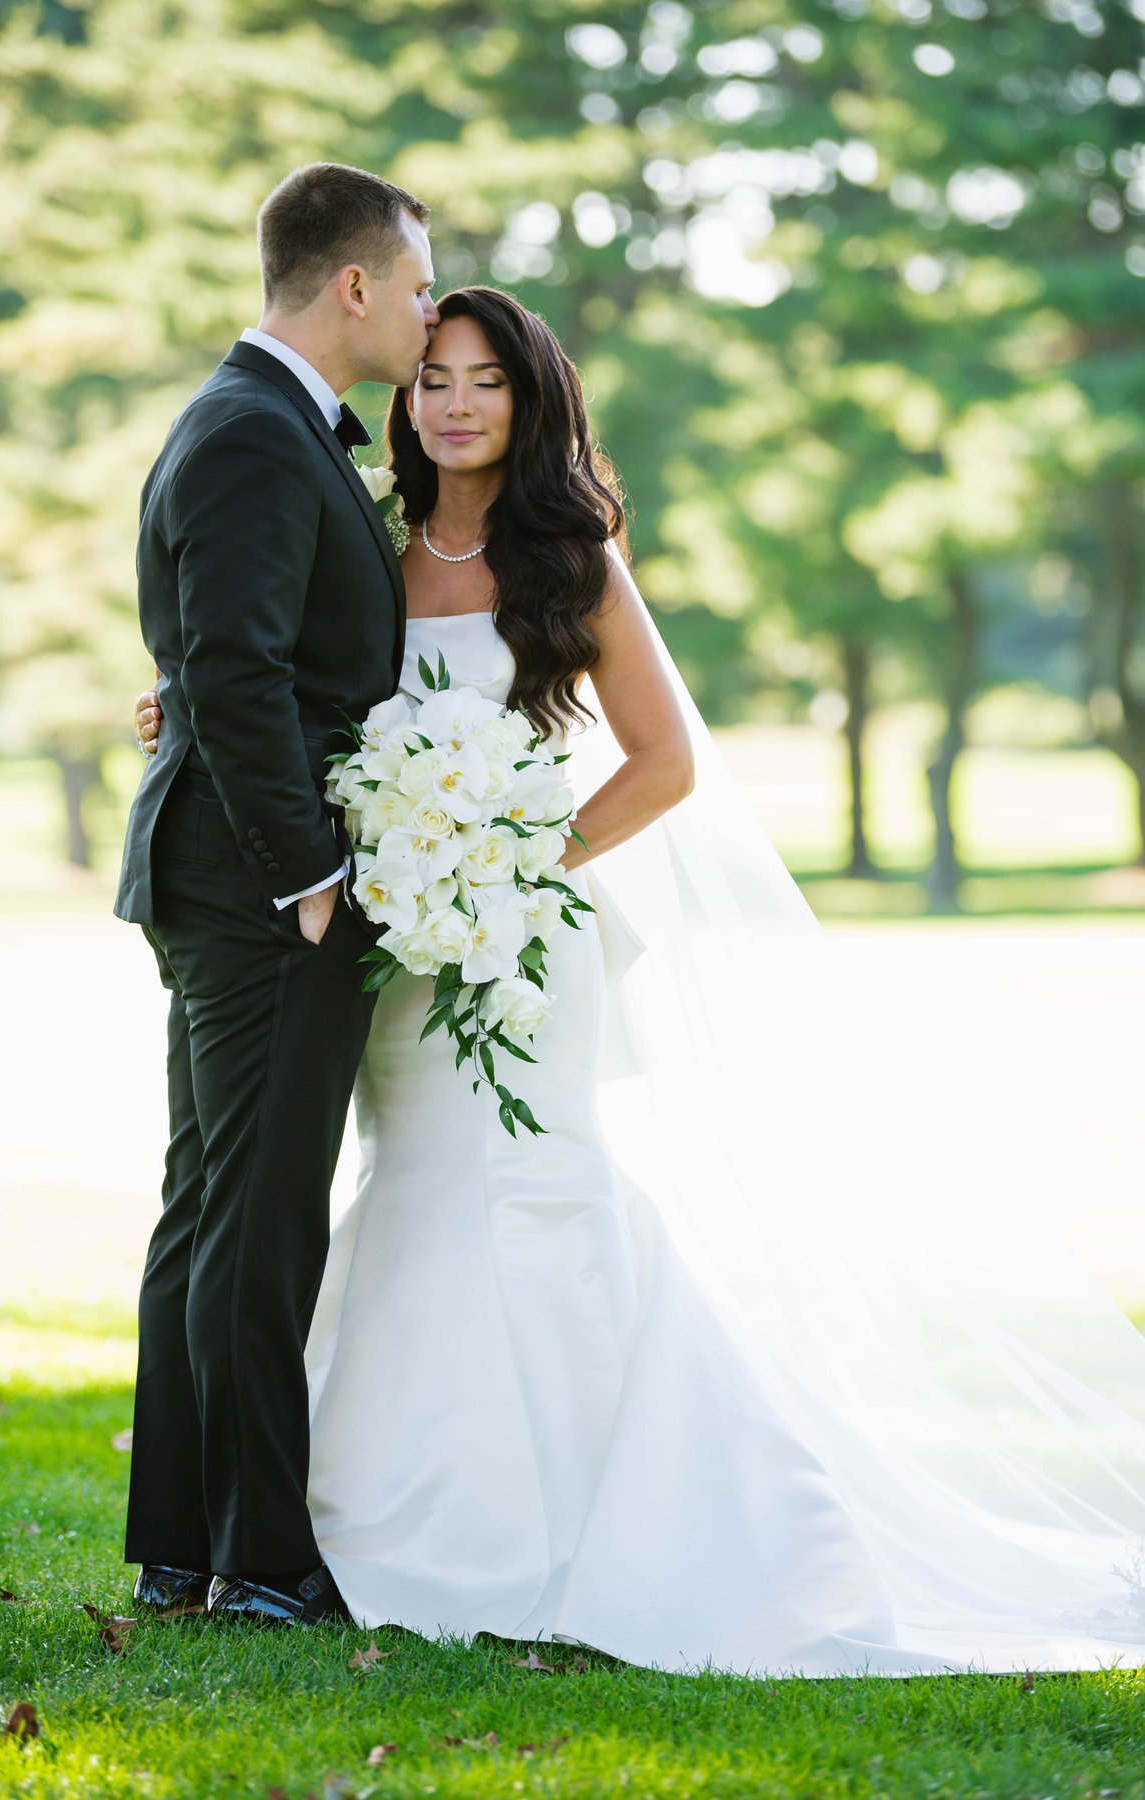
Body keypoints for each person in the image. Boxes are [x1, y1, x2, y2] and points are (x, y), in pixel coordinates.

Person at [133, 285, 1145, 1677]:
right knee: (411, 1191)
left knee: (538, 1190)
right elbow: (267, 668)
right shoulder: (364, 543)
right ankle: (391, 1527)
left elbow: (662, 762)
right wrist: (179, 706)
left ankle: (611, 1530)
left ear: (531, 398)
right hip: (396, 948)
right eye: (432, 379)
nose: (456, 404)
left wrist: (513, 859)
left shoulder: (573, 561)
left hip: (520, 939)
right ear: (404, 400)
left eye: (486, 380)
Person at [116, 161, 438, 1627]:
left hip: (224, 874)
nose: (426, 314)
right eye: (418, 284)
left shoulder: (258, 424)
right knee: (257, 1215)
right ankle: (257, 1558)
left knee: (214, 1204)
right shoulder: (253, 433)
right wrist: (311, 871)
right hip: (261, 889)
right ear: (354, 285)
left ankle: (188, 1545)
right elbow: (237, 672)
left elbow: (230, 655)